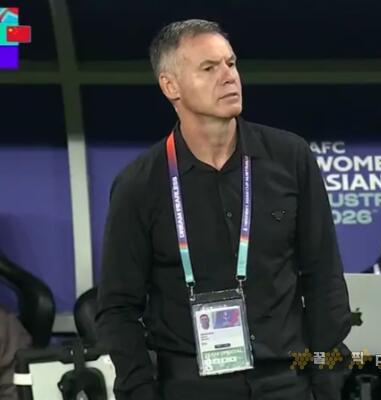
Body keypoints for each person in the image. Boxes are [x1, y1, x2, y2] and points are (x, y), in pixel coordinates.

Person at [96, 19, 351, 400]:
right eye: (209, 68)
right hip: (189, 386)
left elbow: (324, 277)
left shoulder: (290, 157)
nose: (229, 77)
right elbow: (118, 308)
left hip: (287, 380)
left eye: (231, 63)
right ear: (170, 86)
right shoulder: (139, 185)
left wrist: (326, 381)